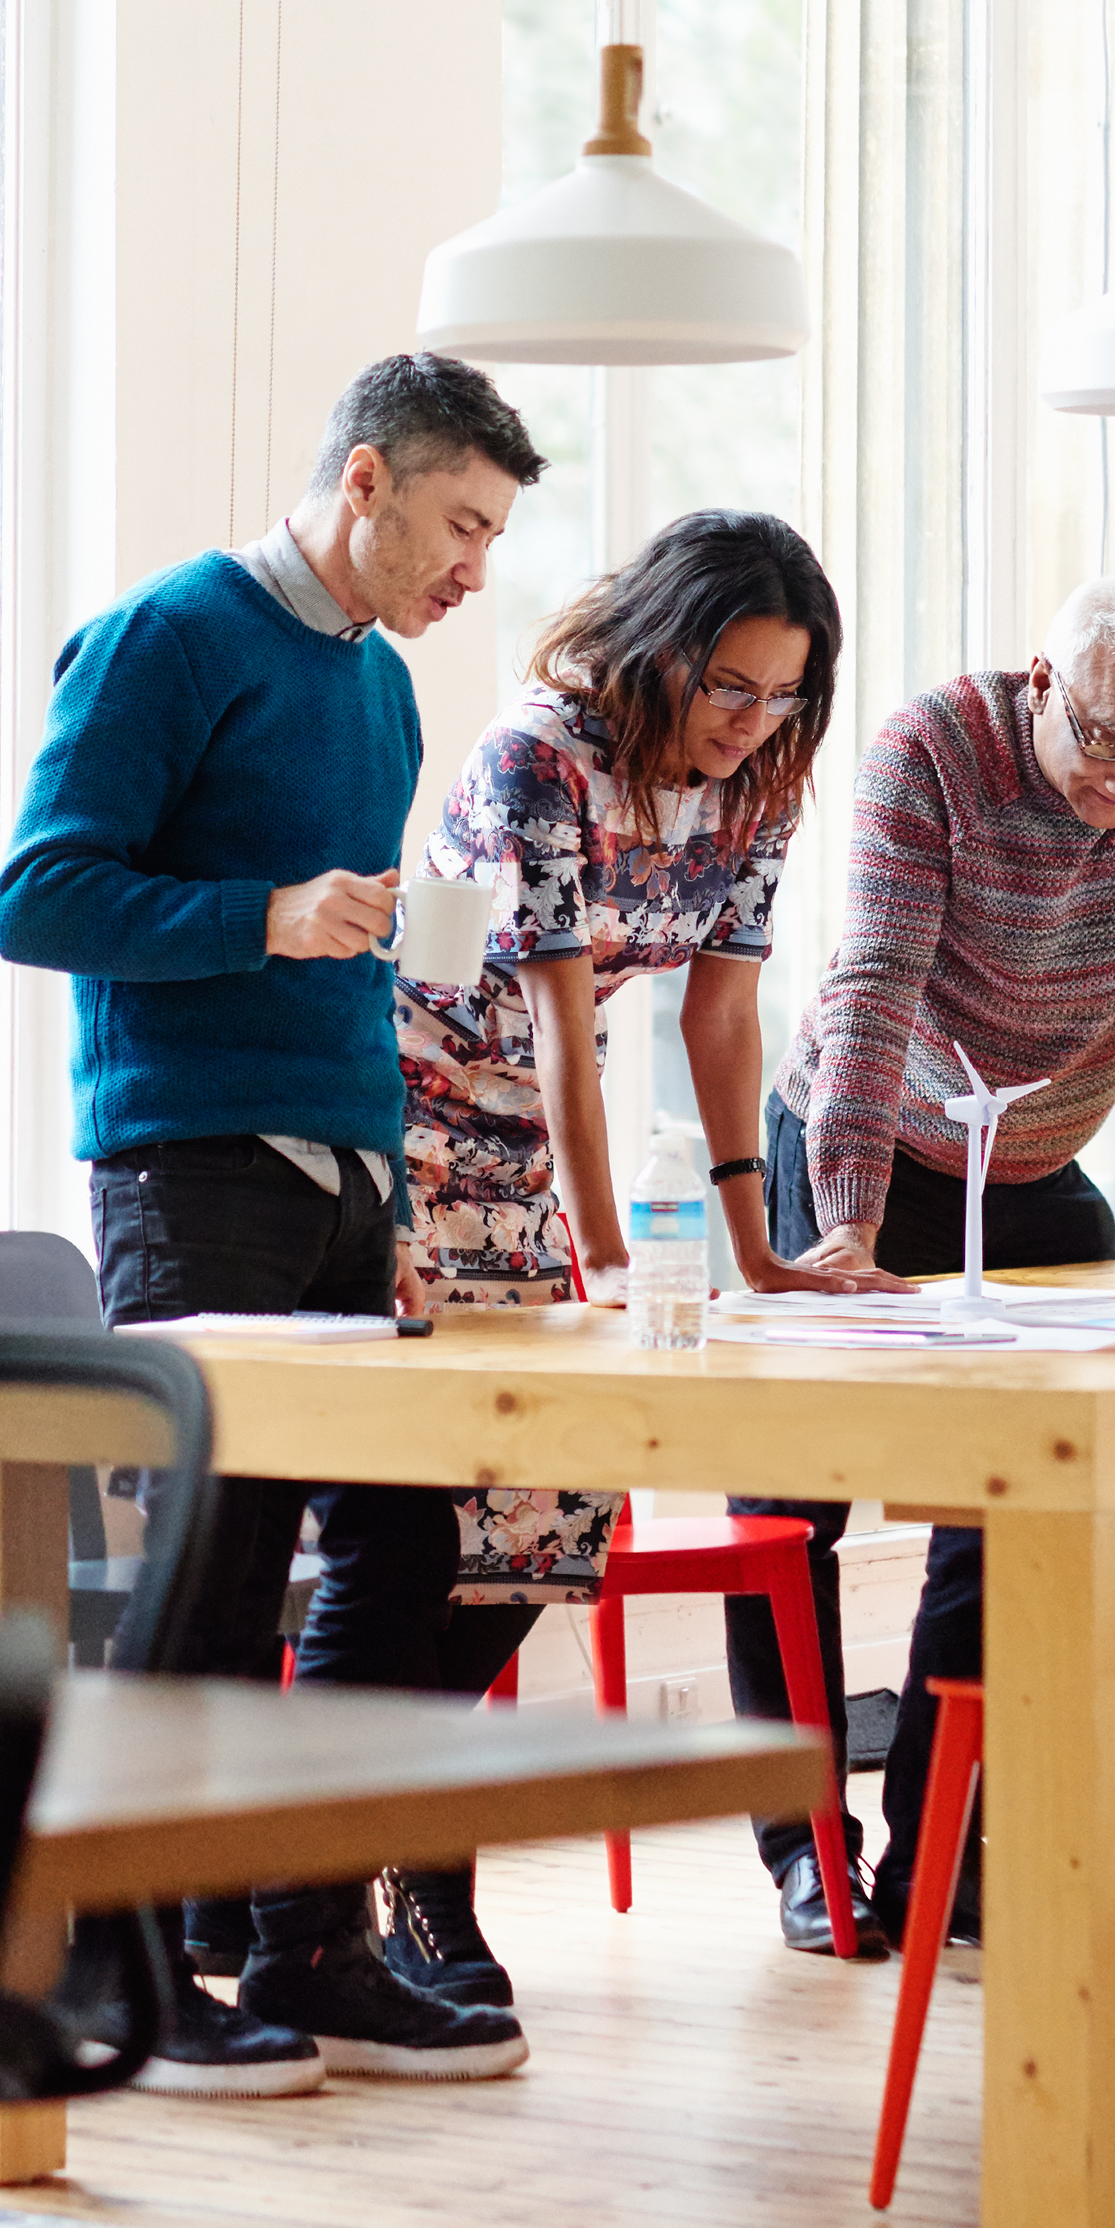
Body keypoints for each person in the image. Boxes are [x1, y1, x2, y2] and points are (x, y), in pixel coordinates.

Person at [0, 351, 548, 2092]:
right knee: (213, 1571)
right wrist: (266, 912)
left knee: (393, 1555)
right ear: (366, 481)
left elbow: (357, 961)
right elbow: (39, 896)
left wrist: (388, 1190)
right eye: (460, 523)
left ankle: (311, 1942)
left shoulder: (380, 689)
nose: (475, 568)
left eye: (495, 538)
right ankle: (129, 1973)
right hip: (189, 1174)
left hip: (343, 1183)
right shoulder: (166, 636)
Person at [729, 570, 1115, 1958]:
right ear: (1041, 686)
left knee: (1015, 1507)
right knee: (788, 1511)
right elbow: (868, 986)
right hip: (867, 1139)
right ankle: (807, 1857)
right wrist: (844, 1223)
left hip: (1034, 1165)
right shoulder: (929, 751)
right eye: (1102, 743)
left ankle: (940, 1851)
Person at [368, 510, 850, 2005]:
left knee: (556, 1514)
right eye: (726, 686)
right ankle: (407, 1872)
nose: (749, 721)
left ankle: (374, 1819)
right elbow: (568, 1035)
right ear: (657, 652)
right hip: (422, 1126)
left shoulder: (757, 782)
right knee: (440, 1524)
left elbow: (718, 1015)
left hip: (542, 1138)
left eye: (780, 694)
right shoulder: (539, 758)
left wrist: (757, 1248)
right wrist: (600, 1264)